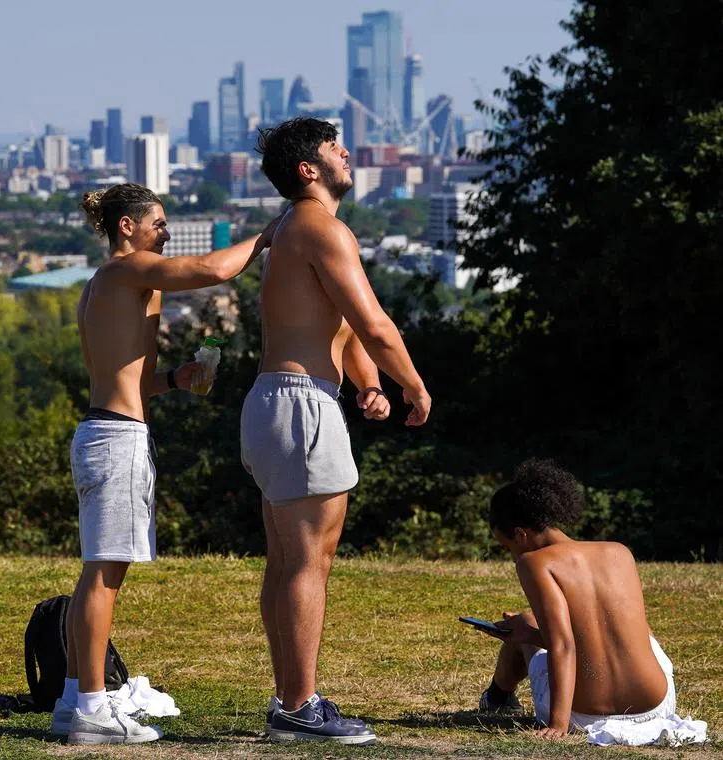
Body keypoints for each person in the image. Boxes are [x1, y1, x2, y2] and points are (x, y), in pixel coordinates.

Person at [52, 183, 280, 745]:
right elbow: (210, 269)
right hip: (115, 439)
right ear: (126, 227)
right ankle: (90, 707)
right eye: (157, 222)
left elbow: (126, 379)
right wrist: (269, 235)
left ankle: (75, 698)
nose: (165, 231)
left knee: (97, 574)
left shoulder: (109, 284)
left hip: (105, 430)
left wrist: (175, 380)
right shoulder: (125, 271)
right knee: (105, 575)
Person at [245, 116, 432, 743]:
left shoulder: (292, 233)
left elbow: (341, 330)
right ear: (309, 170)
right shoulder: (323, 229)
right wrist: (413, 384)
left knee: (287, 562)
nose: (346, 154)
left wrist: (368, 385)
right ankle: (298, 707)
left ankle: (288, 702)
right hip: (301, 408)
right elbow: (374, 324)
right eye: (334, 148)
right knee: (307, 565)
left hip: (277, 401)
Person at [475, 459, 707, 745]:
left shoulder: (532, 562)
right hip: (655, 706)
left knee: (524, 619)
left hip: (584, 716)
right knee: (629, 629)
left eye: (507, 546)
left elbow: (563, 644)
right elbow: (622, 636)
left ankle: (497, 697)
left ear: (521, 534)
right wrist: (535, 636)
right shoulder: (619, 551)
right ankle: (500, 691)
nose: (511, 556)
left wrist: (558, 724)